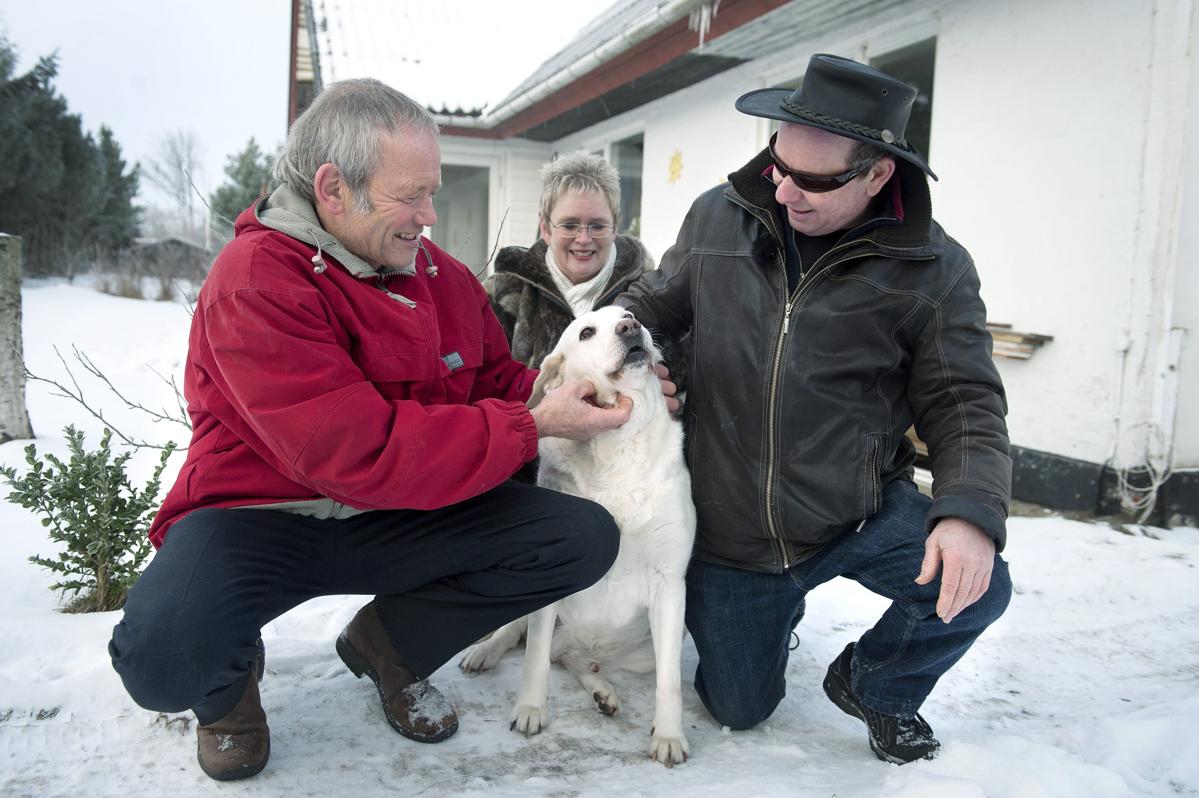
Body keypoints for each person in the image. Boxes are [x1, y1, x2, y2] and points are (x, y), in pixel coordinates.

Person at [107, 79, 646, 782]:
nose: (428, 215)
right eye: (410, 195)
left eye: (431, 192)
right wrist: (530, 424)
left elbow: (494, 383)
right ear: (333, 189)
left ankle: (390, 644)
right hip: (259, 519)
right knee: (164, 659)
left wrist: (575, 390)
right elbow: (355, 450)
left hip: (401, 515)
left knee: (576, 536)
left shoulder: (438, 276)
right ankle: (225, 690)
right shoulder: (254, 280)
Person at [618, 53, 1013, 765]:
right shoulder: (717, 215)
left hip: (854, 512)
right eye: (778, 165)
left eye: (816, 180)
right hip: (730, 528)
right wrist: (607, 342)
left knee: (975, 584)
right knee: (738, 708)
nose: (786, 192)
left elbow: (964, 404)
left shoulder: (932, 266)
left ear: (876, 174)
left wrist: (967, 514)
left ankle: (876, 683)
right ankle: (769, 615)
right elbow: (654, 302)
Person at [487, 151, 656, 371]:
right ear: (546, 229)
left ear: (615, 227)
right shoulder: (503, 296)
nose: (584, 239)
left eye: (597, 225)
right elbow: (486, 383)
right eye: (569, 225)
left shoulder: (652, 291)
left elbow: (682, 375)